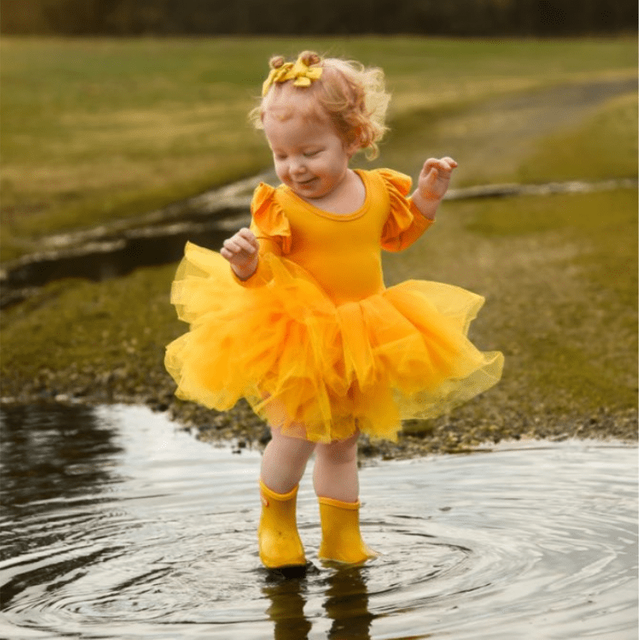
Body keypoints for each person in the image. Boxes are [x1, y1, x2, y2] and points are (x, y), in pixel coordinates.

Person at [165, 51, 503, 570]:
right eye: (282, 154)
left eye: (310, 151)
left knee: (343, 443)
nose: (295, 167)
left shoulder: (375, 191)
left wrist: (427, 200)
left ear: (354, 139)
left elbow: (398, 235)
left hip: (362, 335)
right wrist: (246, 265)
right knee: (295, 435)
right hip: (299, 338)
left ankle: (341, 536)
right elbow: (264, 281)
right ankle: (275, 524)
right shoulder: (281, 206)